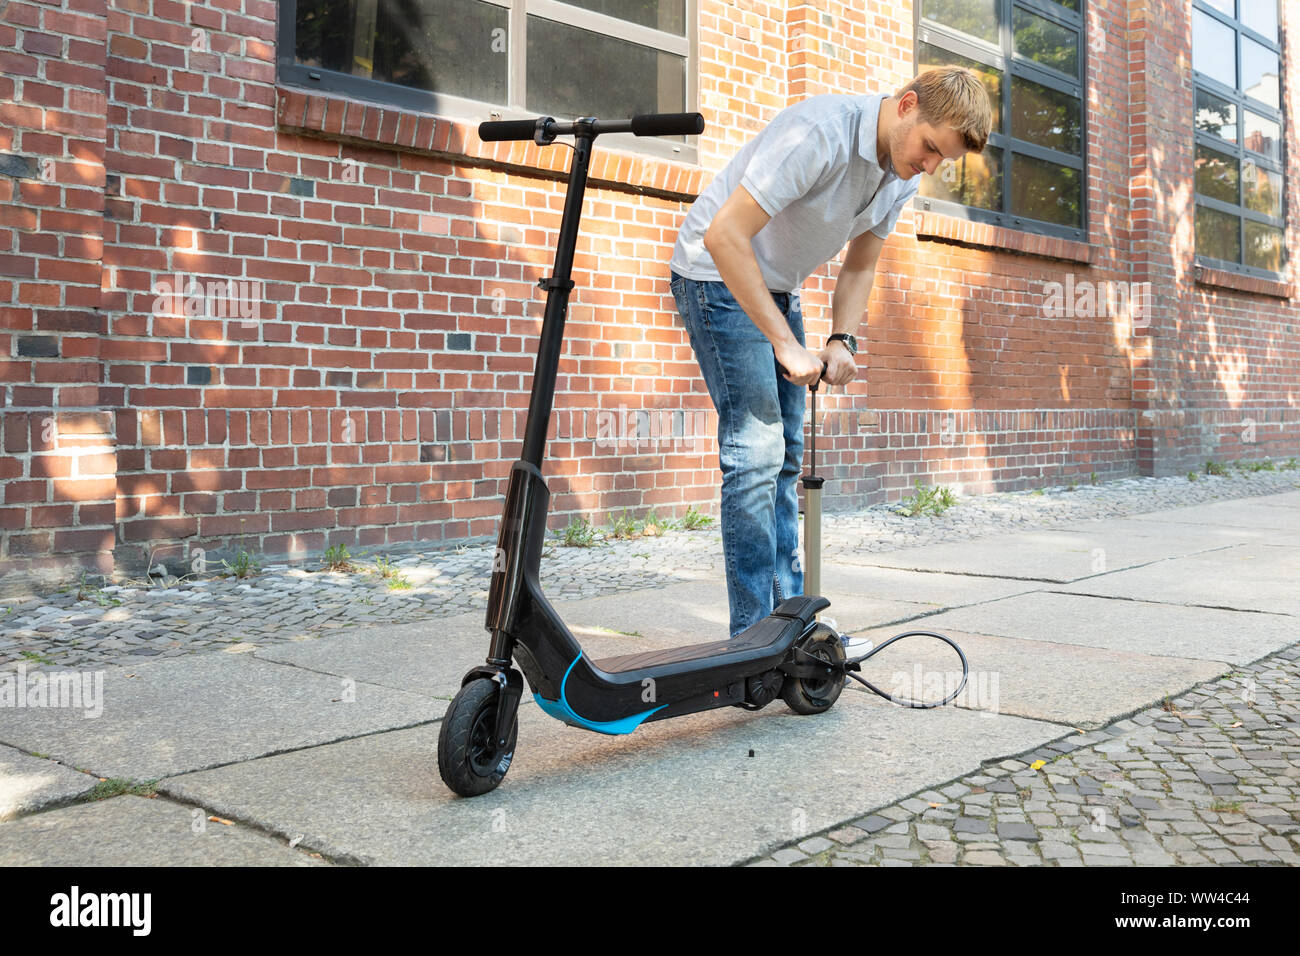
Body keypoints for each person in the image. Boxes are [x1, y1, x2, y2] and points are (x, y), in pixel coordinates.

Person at [667, 67, 992, 640]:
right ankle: (750, 637)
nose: (931, 167)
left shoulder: (901, 174)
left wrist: (843, 337)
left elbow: (861, 264)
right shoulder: (819, 131)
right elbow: (723, 236)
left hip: (776, 286)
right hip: (713, 274)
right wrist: (786, 342)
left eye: (944, 160)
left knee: (788, 458)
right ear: (907, 105)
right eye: (931, 149)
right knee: (756, 453)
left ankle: (789, 626)